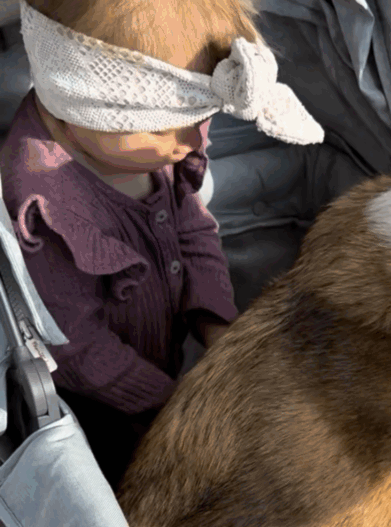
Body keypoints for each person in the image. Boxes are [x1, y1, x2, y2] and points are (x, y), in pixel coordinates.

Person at [0, 0, 323, 488]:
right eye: (164, 128)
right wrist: (174, 405)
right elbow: (79, 351)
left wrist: (218, 328)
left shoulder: (159, 140)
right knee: (132, 477)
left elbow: (191, 226)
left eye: (202, 118)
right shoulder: (46, 210)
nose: (193, 141)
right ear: (78, 106)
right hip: (105, 401)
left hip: (166, 351)